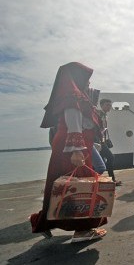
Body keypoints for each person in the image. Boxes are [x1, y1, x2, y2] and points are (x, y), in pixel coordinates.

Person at [30, 62, 107, 242]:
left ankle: (41, 221)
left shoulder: (74, 96)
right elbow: (74, 124)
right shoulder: (73, 97)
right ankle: (82, 230)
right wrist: (77, 151)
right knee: (81, 187)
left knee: (62, 187)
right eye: (86, 79)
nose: (89, 83)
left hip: (72, 146)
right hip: (73, 148)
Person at [97, 99, 121, 186]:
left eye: (110, 105)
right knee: (111, 157)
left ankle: (97, 178)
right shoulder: (99, 114)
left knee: (102, 160)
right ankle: (112, 179)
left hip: (103, 141)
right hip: (99, 141)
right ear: (101, 105)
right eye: (107, 105)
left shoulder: (104, 115)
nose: (109, 107)